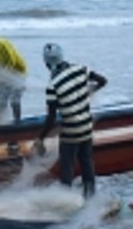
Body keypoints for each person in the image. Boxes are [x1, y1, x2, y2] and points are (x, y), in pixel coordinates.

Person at [34, 44, 107, 199]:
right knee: (87, 162)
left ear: (47, 64)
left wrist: (40, 138)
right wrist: (88, 92)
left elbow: (51, 118)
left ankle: (66, 200)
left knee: (67, 167)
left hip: (70, 131)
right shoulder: (80, 69)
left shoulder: (52, 85)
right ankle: (90, 196)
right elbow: (103, 81)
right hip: (87, 126)